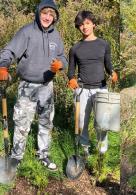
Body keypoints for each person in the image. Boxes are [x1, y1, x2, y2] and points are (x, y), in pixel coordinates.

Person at [0, 0, 67, 170]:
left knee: (46, 122)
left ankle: (43, 155)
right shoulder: (27, 32)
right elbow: (9, 51)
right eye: (44, 13)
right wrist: (3, 66)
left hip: (47, 86)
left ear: (55, 17)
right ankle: (16, 157)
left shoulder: (56, 36)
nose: (47, 17)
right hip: (27, 85)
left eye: (51, 14)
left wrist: (60, 64)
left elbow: (63, 57)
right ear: (38, 13)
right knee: (22, 122)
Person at [67, 11, 118, 156]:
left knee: (102, 124)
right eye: (81, 24)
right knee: (81, 122)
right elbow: (71, 70)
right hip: (82, 90)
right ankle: (84, 150)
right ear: (78, 27)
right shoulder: (75, 48)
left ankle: (102, 152)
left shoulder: (103, 44)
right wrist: (71, 79)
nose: (85, 27)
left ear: (93, 24)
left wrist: (112, 73)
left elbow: (108, 65)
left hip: (101, 90)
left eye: (88, 23)